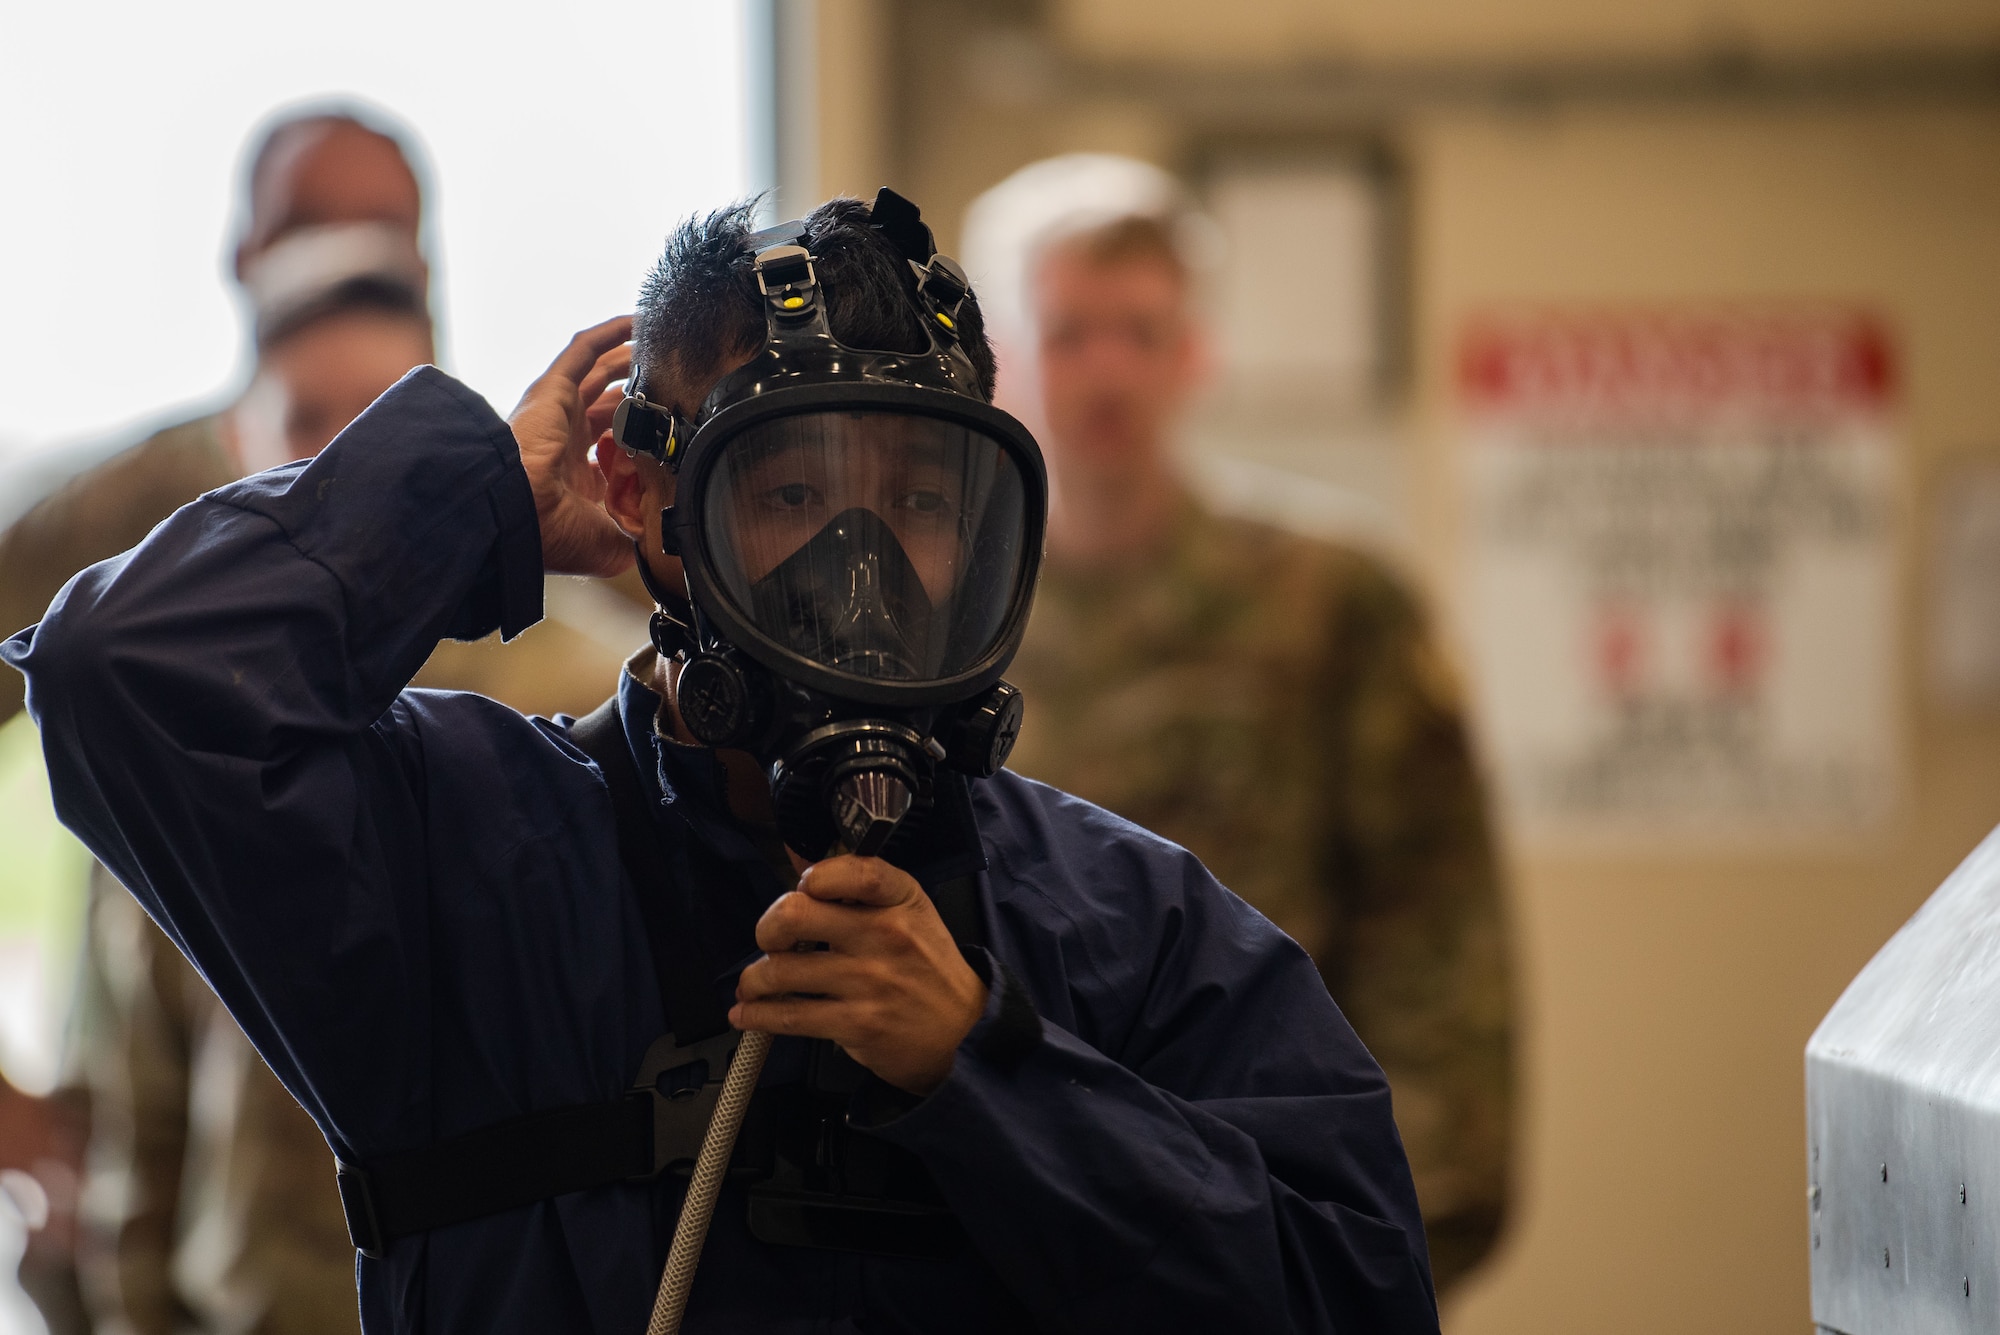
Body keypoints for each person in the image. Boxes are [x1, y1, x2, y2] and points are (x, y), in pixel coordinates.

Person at [7, 191, 1442, 1333]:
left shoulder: (1130, 925)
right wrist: (470, 505)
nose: (864, 570)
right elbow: (120, 677)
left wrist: (989, 1073)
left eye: (921, 503)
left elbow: (1359, 1291)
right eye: (799, 491)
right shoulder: (462, 851)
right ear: (646, 492)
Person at [0, 107, 641, 1335]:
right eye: (305, 226)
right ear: (242, 259)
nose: (344, 252)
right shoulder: (131, 553)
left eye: (381, 229)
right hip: (214, 1243)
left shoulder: (545, 641)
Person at [963, 154, 1516, 1294]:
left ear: (1195, 353)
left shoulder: (1328, 604)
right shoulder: (937, 624)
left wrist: (1395, 1243)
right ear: (1000, 362)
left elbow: (1436, 940)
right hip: (997, 1209)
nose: (1108, 373)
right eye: (1069, 333)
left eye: (1142, 332)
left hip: (1265, 1214)